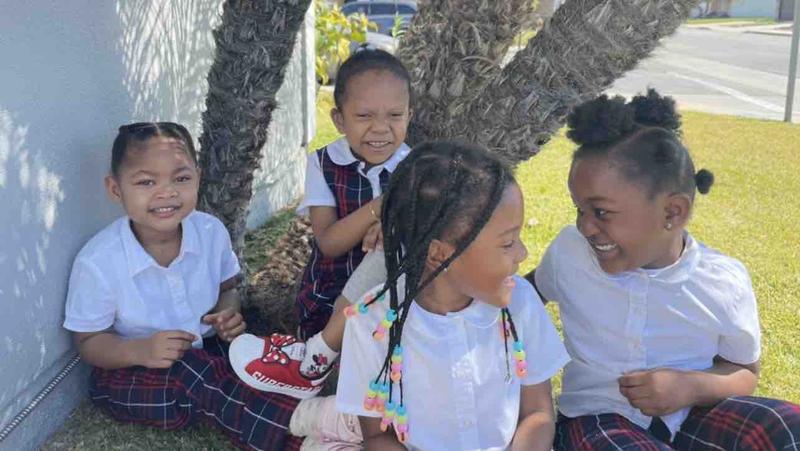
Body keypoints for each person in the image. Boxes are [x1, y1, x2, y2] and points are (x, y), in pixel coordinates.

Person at [529, 90, 800, 450]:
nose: (585, 227)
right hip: (597, 419)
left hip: (692, 413)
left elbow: (744, 372)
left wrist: (690, 386)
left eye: (601, 212)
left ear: (672, 213)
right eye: (580, 210)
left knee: (786, 427)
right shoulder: (569, 253)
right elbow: (520, 295)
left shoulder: (722, 282)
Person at [63, 122, 355, 450]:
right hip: (128, 375)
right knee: (196, 375)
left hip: (208, 351)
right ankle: (314, 422)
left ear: (198, 178)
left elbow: (228, 287)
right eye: (146, 182)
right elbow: (88, 342)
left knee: (246, 365)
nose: (166, 192)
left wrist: (227, 313)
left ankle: (319, 444)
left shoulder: (209, 231)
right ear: (116, 189)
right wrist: (139, 350)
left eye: (181, 178)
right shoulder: (98, 261)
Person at [334, 141, 570, 450]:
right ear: (440, 253)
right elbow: (379, 437)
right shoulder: (372, 325)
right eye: (508, 242)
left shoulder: (520, 302)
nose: (523, 254)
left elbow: (538, 413)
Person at [229, 46, 414, 399]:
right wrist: (383, 206)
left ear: (409, 115)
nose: (381, 129)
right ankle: (316, 364)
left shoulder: (417, 166)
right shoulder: (324, 164)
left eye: (395, 115)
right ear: (339, 120)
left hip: (391, 298)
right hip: (331, 289)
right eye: (364, 116)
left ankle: (318, 367)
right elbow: (328, 242)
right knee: (343, 377)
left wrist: (393, 223)